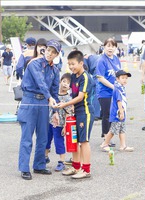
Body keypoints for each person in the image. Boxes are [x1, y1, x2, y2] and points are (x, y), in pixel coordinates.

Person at [18, 39, 61, 180]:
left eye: (53, 52)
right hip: (30, 99)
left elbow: (55, 91)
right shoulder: (34, 63)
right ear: (45, 50)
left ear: (57, 55)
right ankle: (24, 168)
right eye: (49, 50)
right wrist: (49, 98)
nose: (50, 53)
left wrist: (55, 111)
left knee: (43, 136)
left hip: (44, 102)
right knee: (27, 137)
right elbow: (40, 82)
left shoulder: (55, 70)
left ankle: (39, 165)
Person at [56, 50, 95, 179]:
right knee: (75, 140)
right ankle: (76, 166)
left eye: (73, 64)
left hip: (85, 112)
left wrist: (65, 104)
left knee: (84, 141)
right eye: (69, 64)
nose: (71, 66)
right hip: (75, 112)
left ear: (81, 63)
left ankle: (86, 169)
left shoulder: (85, 77)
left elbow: (80, 97)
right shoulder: (73, 76)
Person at [100, 70, 134, 152]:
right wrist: (121, 112)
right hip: (117, 113)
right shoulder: (117, 88)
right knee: (113, 130)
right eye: (122, 78)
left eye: (126, 78)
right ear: (117, 79)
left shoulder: (121, 87)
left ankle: (123, 145)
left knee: (122, 129)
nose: (125, 80)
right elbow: (119, 101)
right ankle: (105, 144)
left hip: (122, 112)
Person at [45, 73, 72, 172]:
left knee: (59, 142)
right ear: (60, 82)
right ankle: (45, 157)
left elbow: (69, 113)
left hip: (60, 124)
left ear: (70, 87)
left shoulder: (68, 99)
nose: (65, 84)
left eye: (68, 83)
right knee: (46, 140)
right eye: (64, 81)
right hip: (49, 122)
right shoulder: (54, 94)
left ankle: (62, 161)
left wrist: (65, 126)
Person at [96, 38, 121, 142]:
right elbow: (100, 77)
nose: (110, 48)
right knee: (106, 115)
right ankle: (106, 136)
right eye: (108, 46)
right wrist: (113, 87)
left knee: (113, 114)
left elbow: (119, 73)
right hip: (104, 92)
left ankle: (107, 135)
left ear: (115, 48)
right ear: (104, 47)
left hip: (115, 91)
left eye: (112, 46)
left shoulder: (116, 58)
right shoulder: (101, 60)